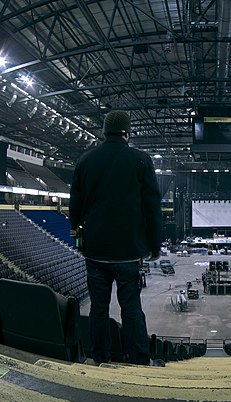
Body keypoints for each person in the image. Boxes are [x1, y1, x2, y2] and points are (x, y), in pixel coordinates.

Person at [69, 110, 164, 367]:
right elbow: (152, 209)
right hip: (128, 252)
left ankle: (99, 358)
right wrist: (154, 246)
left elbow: (75, 206)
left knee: (98, 309)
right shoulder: (141, 160)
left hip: (95, 250)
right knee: (131, 308)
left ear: (104, 132)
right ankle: (140, 360)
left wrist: (78, 237)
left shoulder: (85, 160)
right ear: (127, 132)